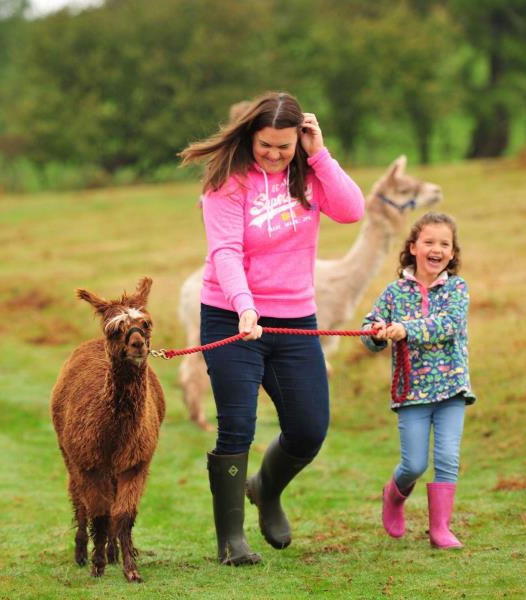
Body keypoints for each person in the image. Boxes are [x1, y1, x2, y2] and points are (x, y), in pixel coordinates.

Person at [179, 91, 365, 565]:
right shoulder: (227, 181)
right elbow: (225, 252)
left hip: (295, 318)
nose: (275, 154)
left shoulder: (309, 174)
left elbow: (352, 210)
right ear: (250, 136)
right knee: (237, 424)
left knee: (309, 429)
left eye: (285, 146)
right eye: (266, 145)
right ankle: (231, 541)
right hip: (231, 315)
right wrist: (244, 306)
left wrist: (319, 154)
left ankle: (266, 488)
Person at [361, 212, 474, 549]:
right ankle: (393, 496)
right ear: (413, 247)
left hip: (452, 389)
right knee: (413, 464)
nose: (436, 249)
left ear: (452, 253)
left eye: (444, 244)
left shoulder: (457, 288)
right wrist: (376, 333)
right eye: (429, 242)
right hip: (411, 393)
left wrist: (406, 329)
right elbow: (369, 329)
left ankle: (440, 529)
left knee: (447, 459)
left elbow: (449, 324)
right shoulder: (394, 293)